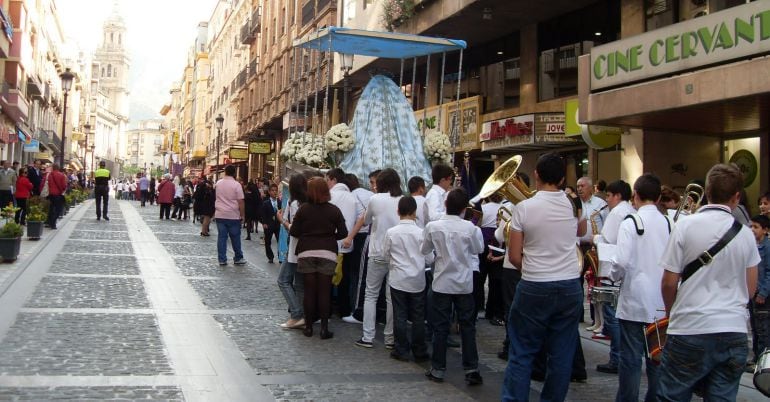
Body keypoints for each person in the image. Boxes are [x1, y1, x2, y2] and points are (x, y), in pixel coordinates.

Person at [658, 163, 759, 400]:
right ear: (736, 197)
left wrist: (671, 311)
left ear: (706, 190)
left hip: (689, 326)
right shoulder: (746, 234)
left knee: (672, 395)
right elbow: (751, 289)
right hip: (732, 329)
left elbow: (669, 282)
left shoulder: (685, 225)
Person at [501, 152, 587, 401]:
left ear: (536, 175)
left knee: (522, 352)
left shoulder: (524, 208)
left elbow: (515, 256)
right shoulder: (573, 205)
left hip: (535, 285)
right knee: (561, 355)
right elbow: (582, 232)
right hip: (570, 285)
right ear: (562, 179)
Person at [608, 174, 670, 402]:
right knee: (656, 358)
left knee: (631, 359)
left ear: (635, 195)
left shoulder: (631, 222)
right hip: (661, 301)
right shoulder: (670, 223)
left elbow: (621, 261)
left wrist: (613, 276)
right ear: (659, 196)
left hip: (634, 300)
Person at [422, 188, 484, 385]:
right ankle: (471, 369)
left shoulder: (433, 226)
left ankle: (438, 369)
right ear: (464, 208)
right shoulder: (470, 228)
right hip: (464, 283)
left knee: (440, 328)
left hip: (441, 282)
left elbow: (425, 250)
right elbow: (478, 249)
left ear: (446, 205)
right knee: (467, 327)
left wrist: (437, 260)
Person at [348, 168, 403, 349]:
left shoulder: (375, 199)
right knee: (391, 297)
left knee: (370, 294)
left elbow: (366, 220)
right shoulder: (403, 200)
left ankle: (368, 336)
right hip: (396, 254)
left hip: (377, 252)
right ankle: (390, 338)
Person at [289, 177, 348, 339]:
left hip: (306, 251)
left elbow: (294, 232)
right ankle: (324, 329)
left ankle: (308, 327)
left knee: (309, 292)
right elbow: (343, 233)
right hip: (327, 252)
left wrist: (308, 234)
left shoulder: (303, 209)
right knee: (324, 292)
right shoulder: (333, 210)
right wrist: (329, 237)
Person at [592, 179, 635, 375]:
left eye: (608, 196)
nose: (607, 200)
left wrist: (595, 238)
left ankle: (616, 358)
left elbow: (607, 239)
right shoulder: (632, 212)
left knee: (613, 317)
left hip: (613, 270)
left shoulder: (616, 213)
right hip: (628, 273)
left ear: (617, 196)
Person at [383, 196, 431, 362]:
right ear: (414, 212)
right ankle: (419, 349)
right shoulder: (421, 233)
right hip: (417, 279)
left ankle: (401, 349)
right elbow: (429, 257)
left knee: (400, 314)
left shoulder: (391, 232)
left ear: (398, 212)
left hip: (398, 278)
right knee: (418, 315)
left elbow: (386, 255)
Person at [342, 171, 376, 324]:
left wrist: (349, 237)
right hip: (372, 236)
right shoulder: (368, 194)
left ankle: (354, 308)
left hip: (359, 237)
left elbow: (358, 219)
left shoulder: (351, 197)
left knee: (355, 274)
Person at [325, 168, 358, 318]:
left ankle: (327, 308)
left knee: (328, 277)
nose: (326, 183)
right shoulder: (352, 197)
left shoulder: (331, 195)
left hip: (331, 243)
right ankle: (344, 309)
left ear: (333, 180)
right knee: (344, 278)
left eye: (327, 180)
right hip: (347, 244)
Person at [277, 174, 307, 330]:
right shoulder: (308, 202)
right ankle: (302, 316)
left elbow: (295, 229)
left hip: (295, 247)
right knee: (300, 284)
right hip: (306, 248)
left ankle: (297, 314)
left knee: (283, 280)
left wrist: (282, 220)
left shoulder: (295, 203)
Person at [748, 214, 770, 371]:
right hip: (752, 293)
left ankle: (762, 361)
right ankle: (756, 357)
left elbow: (769, 272)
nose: (752, 230)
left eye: (756, 227)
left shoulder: (767, 248)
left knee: (763, 329)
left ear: (766, 230)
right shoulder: (752, 246)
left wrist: (763, 292)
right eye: (751, 226)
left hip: (762, 295)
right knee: (755, 328)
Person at [215, 165, 246, 266]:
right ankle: (238, 257)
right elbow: (241, 201)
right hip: (233, 215)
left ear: (225, 172)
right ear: (234, 173)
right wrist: (242, 215)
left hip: (220, 214)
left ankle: (222, 259)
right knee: (235, 237)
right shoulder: (236, 185)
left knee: (222, 237)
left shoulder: (218, 184)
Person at [42, 164, 67, 230]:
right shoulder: (61, 175)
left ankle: (49, 222)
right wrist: (62, 190)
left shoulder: (50, 175)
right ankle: (53, 222)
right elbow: (64, 185)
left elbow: (49, 184)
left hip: (51, 194)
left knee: (51, 208)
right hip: (58, 194)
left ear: (53, 168)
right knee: (58, 209)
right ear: (58, 168)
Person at [261, 183, 281, 263]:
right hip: (269, 224)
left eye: (276, 190)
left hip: (278, 224)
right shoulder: (266, 203)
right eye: (272, 190)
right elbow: (263, 214)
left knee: (280, 240)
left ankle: (281, 256)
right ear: (269, 192)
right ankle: (270, 256)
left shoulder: (280, 202)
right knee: (268, 241)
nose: (274, 192)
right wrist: (264, 223)